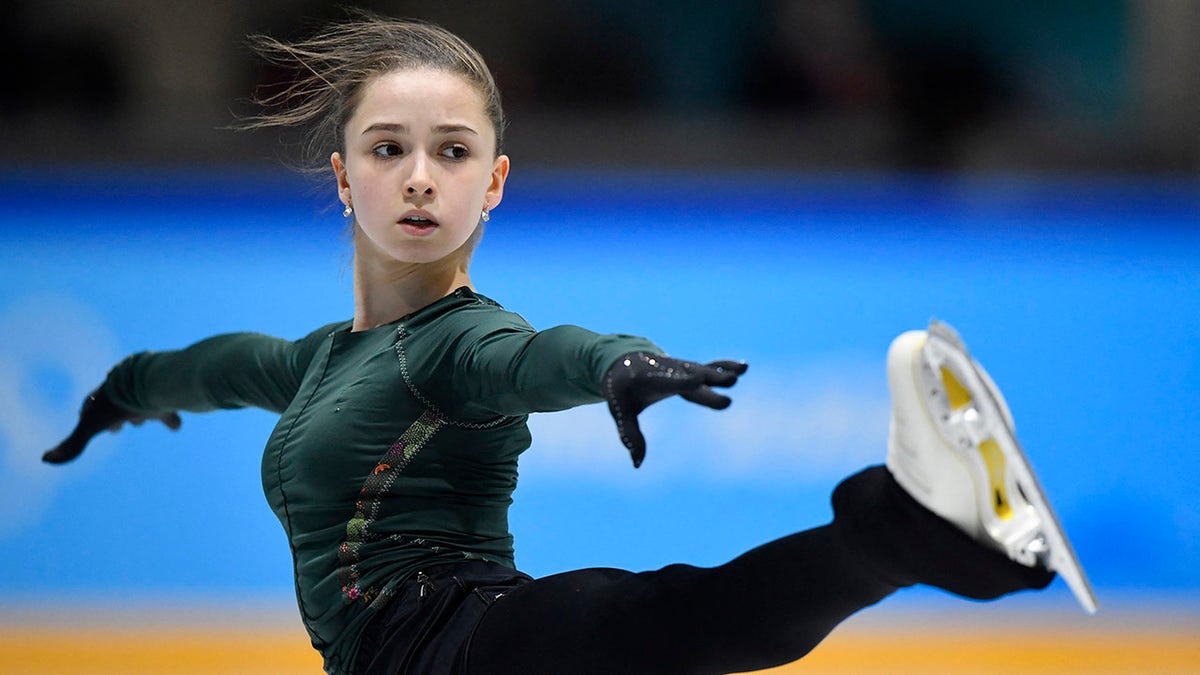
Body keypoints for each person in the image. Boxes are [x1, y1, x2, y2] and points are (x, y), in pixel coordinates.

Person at [43, 11, 1095, 675]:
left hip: (465, 640)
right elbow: (218, 366)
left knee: (643, 617)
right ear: (344, 177)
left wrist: (616, 362)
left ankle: (911, 531)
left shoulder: (458, 342)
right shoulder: (314, 362)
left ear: (494, 182)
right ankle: (910, 534)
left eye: (454, 151)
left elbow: (532, 357)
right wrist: (120, 393)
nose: (420, 177)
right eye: (388, 148)